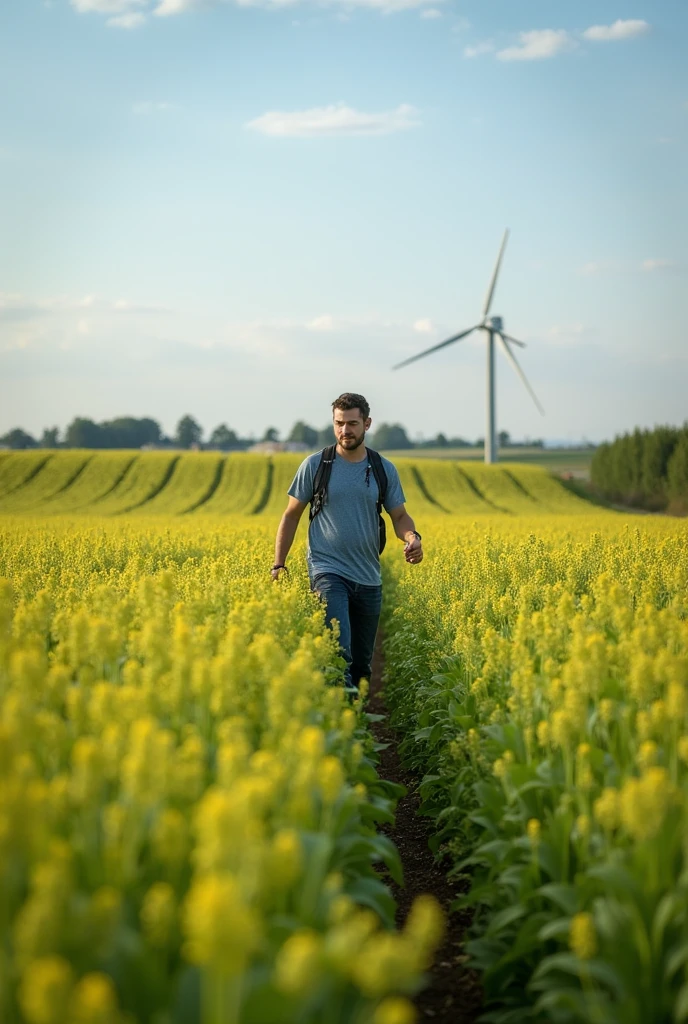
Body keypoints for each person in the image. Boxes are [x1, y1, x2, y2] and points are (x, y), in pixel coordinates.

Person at [271, 392, 423, 696]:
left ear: (367, 424)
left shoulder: (382, 468)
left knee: (361, 666)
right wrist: (279, 563)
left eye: (352, 424)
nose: (345, 431)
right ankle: (339, 717)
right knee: (339, 653)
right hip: (327, 570)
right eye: (339, 424)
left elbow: (400, 516)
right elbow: (291, 516)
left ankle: (355, 726)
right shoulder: (316, 465)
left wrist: (412, 538)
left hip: (368, 575)